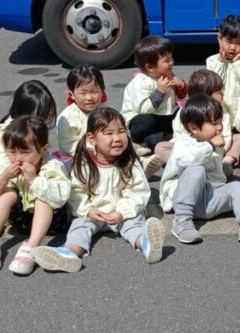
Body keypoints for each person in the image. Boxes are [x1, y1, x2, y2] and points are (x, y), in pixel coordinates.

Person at [33, 107, 163, 272]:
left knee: (135, 224)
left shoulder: (129, 161)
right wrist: (88, 210)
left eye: (121, 131)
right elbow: (76, 192)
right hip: (93, 213)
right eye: (109, 133)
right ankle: (70, 253)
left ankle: (146, 244)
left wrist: (121, 212)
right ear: (92, 138)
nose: (117, 138)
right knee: (79, 227)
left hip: (122, 213)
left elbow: (137, 191)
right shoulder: (84, 162)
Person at [159, 94, 240, 246]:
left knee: (237, 187)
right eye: (213, 123)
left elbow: (217, 174)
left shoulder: (213, 143)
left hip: (209, 201)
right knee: (196, 170)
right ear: (193, 128)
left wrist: (224, 169)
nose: (219, 127)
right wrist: (210, 145)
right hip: (183, 201)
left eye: (219, 122)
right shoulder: (183, 143)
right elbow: (191, 160)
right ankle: (182, 222)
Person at [0, 117, 72, 275]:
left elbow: (60, 196)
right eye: (12, 151)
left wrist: (34, 180)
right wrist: (3, 178)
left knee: (43, 199)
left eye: (25, 152)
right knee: (7, 194)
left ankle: (31, 247)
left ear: (43, 149)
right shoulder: (6, 165)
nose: (18, 158)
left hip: (53, 221)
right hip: (21, 222)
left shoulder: (52, 166)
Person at [121, 35, 184, 172]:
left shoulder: (168, 74)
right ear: (150, 67)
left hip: (164, 117)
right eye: (166, 60)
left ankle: (163, 140)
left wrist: (181, 86)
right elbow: (144, 109)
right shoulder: (140, 82)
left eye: (171, 58)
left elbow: (179, 99)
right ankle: (150, 145)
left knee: (185, 112)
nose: (171, 63)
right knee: (148, 125)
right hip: (142, 121)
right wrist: (159, 92)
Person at [206, 14, 240, 171]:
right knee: (218, 136)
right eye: (228, 42)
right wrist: (222, 62)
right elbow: (214, 85)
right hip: (222, 116)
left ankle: (228, 161)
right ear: (219, 39)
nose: (233, 48)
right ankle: (215, 159)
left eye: (239, 43)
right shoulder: (212, 60)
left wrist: (237, 62)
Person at [0, 80, 57, 175]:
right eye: (42, 116)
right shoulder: (7, 134)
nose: (46, 120)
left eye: (47, 114)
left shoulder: (30, 128)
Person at [171, 69, 232, 148]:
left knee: (238, 138)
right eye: (219, 92)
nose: (223, 94)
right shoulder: (187, 109)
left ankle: (229, 157)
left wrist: (221, 147)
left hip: (215, 148)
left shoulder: (222, 111)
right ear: (206, 96)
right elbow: (178, 133)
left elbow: (226, 137)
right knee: (161, 146)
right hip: (189, 149)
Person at [56, 65, 106, 156]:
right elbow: (69, 147)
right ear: (71, 95)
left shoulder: (105, 111)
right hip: (80, 159)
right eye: (83, 93)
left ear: (102, 91)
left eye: (94, 92)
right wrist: (95, 151)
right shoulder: (68, 118)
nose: (89, 98)